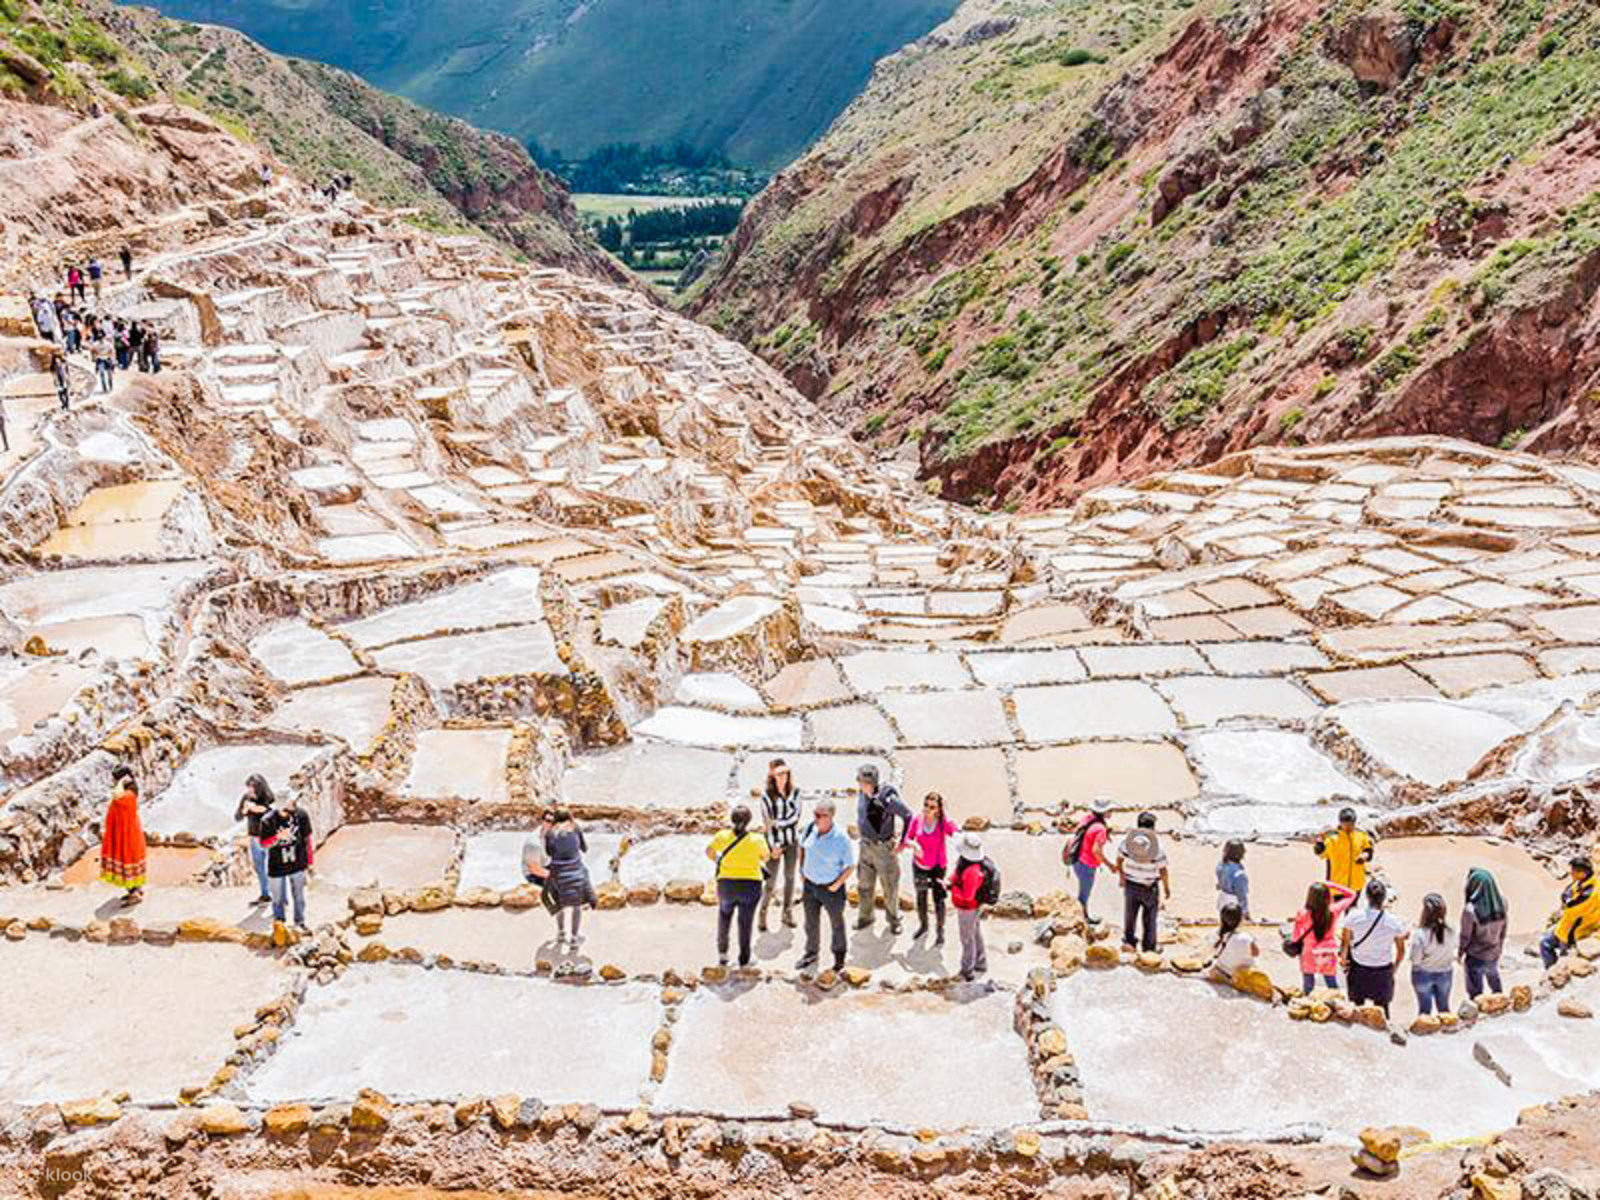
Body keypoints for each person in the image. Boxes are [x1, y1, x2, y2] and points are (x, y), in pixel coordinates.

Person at [707, 805, 771, 968]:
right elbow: (766, 856)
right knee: (745, 922)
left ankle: (723, 955)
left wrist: (719, 860)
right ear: (749, 821)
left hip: (727, 884)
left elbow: (709, 852)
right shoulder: (757, 839)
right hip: (750, 885)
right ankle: (744, 959)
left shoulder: (722, 836)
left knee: (724, 917)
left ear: (732, 820)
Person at [796, 798, 853, 975]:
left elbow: (850, 866)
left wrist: (836, 885)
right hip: (810, 887)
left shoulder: (841, 838)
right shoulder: (809, 829)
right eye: (815, 814)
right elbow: (802, 849)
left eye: (822, 815)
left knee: (837, 924)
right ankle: (811, 954)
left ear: (831, 816)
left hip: (831, 889)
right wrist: (802, 872)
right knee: (811, 923)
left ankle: (839, 960)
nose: (817, 818)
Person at [854, 763, 910, 934]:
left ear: (872, 782)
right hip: (865, 846)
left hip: (883, 849)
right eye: (860, 780)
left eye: (863, 781)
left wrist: (902, 842)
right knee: (864, 885)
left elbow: (908, 815)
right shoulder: (862, 794)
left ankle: (894, 920)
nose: (860, 784)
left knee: (890, 887)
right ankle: (866, 917)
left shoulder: (888, 797)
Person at [1341, 878, 1408, 1017]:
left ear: (1366, 897)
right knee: (1383, 1009)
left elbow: (1345, 942)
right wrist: (1394, 968)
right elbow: (1401, 951)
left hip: (1358, 967)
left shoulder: (1353, 916)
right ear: (1384, 898)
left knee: (1357, 1008)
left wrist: (1343, 960)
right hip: (1382, 969)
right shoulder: (1394, 922)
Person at [902, 791, 958, 945]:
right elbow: (907, 838)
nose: (927, 809)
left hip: (938, 867)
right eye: (925, 805)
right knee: (921, 898)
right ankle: (923, 926)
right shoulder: (916, 820)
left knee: (939, 900)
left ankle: (940, 931)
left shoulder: (942, 822)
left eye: (932, 807)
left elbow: (955, 833)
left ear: (938, 809)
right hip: (919, 866)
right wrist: (914, 845)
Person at [259, 791, 314, 932]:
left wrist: (310, 862)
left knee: (299, 897)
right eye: (291, 802)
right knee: (277, 899)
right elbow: (264, 844)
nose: (294, 803)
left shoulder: (301, 815)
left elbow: (307, 839)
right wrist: (277, 837)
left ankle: (300, 922)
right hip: (277, 866)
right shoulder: (267, 821)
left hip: (298, 863)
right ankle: (280, 926)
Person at [756, 758, 801, 932]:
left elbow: (796, 817)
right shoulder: (766, 796)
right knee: (770, 881)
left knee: (790, 878)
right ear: (773, 775)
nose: (783, 776)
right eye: (780, 773)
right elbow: (767, 824)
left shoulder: (796, 792)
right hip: (773, 844)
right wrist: (774, 845)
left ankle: (787, 912)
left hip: (792, 841)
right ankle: (762, 913)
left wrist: (778, 823)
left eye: (786, 773)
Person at [1289, 880, 1356, 993]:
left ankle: (1308, 1006)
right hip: (1327, 952)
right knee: (1331, 984)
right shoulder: (1334, 910)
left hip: (1309, 952)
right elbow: (1352, 894)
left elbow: (1295, 937)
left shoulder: (1302, 913)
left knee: (1308, 985)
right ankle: (1337, 1005)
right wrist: (1331, 884)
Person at [1116, 812, 1169, 953]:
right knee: (1150, 919)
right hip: (1149, 887)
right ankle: (1149, 947)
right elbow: (1163, 870)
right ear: (1152, 828)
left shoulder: (1126, 844)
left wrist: (1121, 876)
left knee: (1130, 916)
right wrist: (1167, 888)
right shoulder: (1157, 850)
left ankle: (1129, 942)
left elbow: (1119, 859)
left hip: (1131, 885)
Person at [543, 809, 596, 951]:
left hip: (558, 873)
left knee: (559, 903)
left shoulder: (549, 833)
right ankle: (574, 937)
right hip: (576, 871)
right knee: (577, 905)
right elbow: (585, 848)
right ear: (569, 817)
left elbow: (548, 852)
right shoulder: (576, 828)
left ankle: (560, 933)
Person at [1539, 856, 1599, 968]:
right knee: (1544, 943)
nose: (1571, 873)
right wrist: (1567, 898)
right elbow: (1566, 894)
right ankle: (1550, 968)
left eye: (1574, 871)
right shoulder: (1582, 882)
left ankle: (1551, 973)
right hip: (1565, 926)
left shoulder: (1591, 893)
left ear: (1583, 873)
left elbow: (1570, 906)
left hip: (1574, 932)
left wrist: (1567, 900)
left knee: (1562, 960)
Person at [99, 767, 146, 906]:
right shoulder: (128, 793)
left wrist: (121, 782)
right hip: (125, 832)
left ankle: (134, 894)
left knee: (126, 860)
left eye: (115, 779)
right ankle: (135, 889)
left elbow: (116, 795)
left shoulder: (127, 796)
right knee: (129, 860)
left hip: (125, 835)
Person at [1459, 867, 1508, 998]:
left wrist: (1460, 953)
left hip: (1475, 955)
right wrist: (1500, 946)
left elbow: (1465, 936)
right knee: (1495, 982)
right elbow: (1504, 928)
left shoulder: (1470, 910)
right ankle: (1500, 1004)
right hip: (1494, 951)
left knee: (1475, 993)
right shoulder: (1502, 902)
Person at [947, 831, 990, 980]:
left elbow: (967, 895)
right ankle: (981, 963)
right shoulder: (966, 864)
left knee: (967, 939)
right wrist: (951, 881)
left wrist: (951, 888)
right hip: (972, 906)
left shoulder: (972, 871)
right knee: (975, 933)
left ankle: (967, 970)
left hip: (968, 908)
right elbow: (956, 876)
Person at [1064, 798, 1111, 915]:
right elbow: (1096, 851)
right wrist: (1110, 865)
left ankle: (1084, 916)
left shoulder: (1087, 819)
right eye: (1110, 810)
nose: (1112, 811)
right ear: (1104, 812)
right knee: (1084, 895)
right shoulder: (1100, 829)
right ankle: (1083, 919)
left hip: (1077, 859)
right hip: (1087, 865)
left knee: (1083, 892)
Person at [1411, 892, 1455, 1016]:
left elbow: (1415, 960)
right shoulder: (1452, 930)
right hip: (1445, 973)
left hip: (1423, 974)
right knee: (1444, 1008)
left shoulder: (1420, 934)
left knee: (1424, 1011)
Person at [234, 774, 275, 904]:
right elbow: (238, 817)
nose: (250, 790)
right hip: (254, 837)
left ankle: (278, 895)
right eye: (249, 787)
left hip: (268, 837)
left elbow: (269, 813)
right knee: (259, 868)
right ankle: (265, 894)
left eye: (253, 787)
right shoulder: (246, 798)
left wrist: (257, 809)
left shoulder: (267, 798)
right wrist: (244, 810)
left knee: (271, 868)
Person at [1314, 807, 1376, 893]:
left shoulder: (1361, 836)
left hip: (1356, 885)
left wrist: (1365, 855)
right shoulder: (1332, 839)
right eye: (1346, 825)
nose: (1349, 828)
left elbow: (1369, 850)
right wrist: (1319, 842)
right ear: (1340, 823)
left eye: (1351, 825)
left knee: (1354, 906)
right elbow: (1320, 853)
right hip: (1337, 887)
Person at [1210, 898, 1258, 982]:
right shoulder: (1247, 938)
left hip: (1223, 970)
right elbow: (1256, 953)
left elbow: (1213, 950)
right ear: (1240, 920)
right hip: (1241, 974)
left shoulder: (1217, 934)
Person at [1216, 838, 1250, 920]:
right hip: (1233, 902)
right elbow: (1241, 895)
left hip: (1222, 898)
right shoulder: (1239, 874)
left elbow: (1218, 885)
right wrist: (1245, 911)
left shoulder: (1220, 866)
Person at [89, 323, 114, 393]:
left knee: (109, 374)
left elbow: (111, 351)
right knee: (102, 373)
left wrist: (111, 357)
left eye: (101, 336)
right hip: (100, 359)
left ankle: (110, 385)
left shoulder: (108, 343)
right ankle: (104, 388)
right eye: (99, 337)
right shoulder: (95, 344)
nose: (101, 338)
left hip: (107, 358)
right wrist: (94, 357)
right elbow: (92, 350)